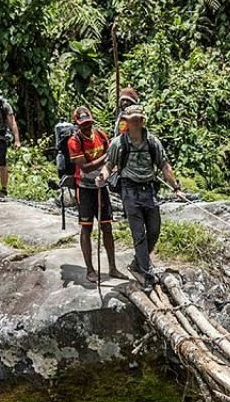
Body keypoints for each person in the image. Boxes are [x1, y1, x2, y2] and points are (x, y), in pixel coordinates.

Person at [99, 104, 182, 290]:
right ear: (126, 123)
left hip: (149, 190)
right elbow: (109, 165)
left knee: (154, 229)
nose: (135, 123)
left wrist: (176, 187)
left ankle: (137, 263)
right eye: (132, 120)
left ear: (142, 121)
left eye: (138, 120)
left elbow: (164, 166)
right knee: (139, 234)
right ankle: (147, 276)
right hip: (129, 191)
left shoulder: (153, 142)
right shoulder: (118, 143)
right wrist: (102, 177)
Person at [67, 106, 120, 283]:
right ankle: (90, 269)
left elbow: (112, 155)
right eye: (83, 125)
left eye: (89, 124)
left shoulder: (101, 135)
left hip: (101, 185)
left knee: (106, 227)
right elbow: (85, 166)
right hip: (85, 187)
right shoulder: (74, 142)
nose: (87, 127)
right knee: (86, 227)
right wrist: (106, 156)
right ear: (77, 124)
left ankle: (112, 267)